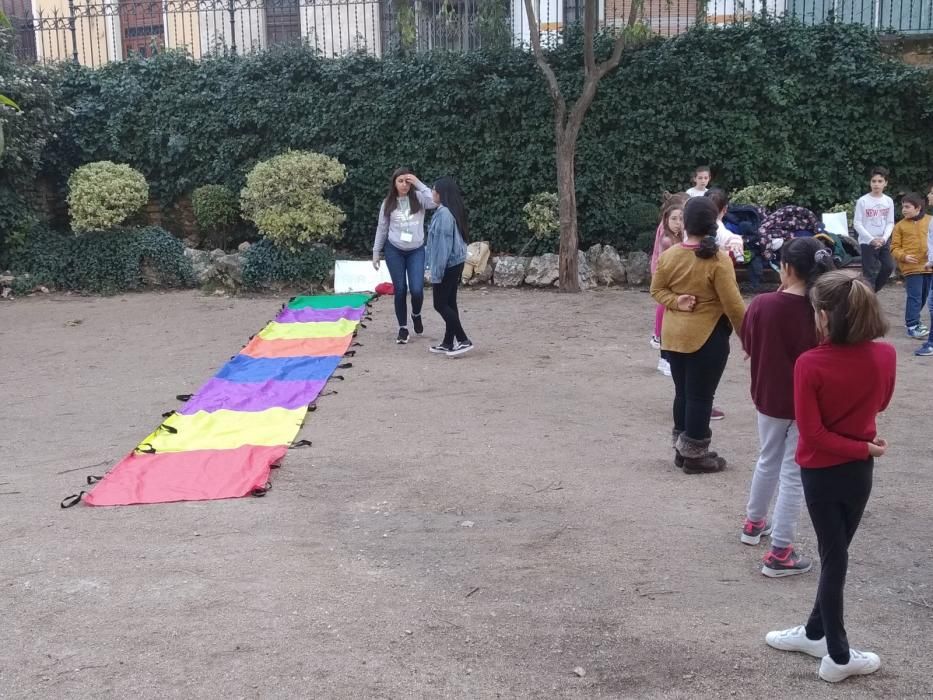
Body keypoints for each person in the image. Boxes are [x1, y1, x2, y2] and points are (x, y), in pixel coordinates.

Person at [765, 272, 895, 684]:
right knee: (836, 553)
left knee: (834, 558)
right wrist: (862, 445)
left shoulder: (810, 363)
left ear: (823, 316)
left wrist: (859, 446)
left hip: (822, 472)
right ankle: (814, 633)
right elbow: (882, 402)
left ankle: (836, 655)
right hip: (859, 471)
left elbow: (814, 432)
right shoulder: (887, 355)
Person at [740, 238, 835, 578]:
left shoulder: (763, 304)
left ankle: (754, 523)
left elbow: (748, 342)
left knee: (767, 458)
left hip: (768, 396)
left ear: (787, 268)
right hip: (808, 402)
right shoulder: (821, 310)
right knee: (794, 474)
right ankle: (781, 550)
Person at [650, 197, 745, 474]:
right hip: (707, 337)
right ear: (714, 224)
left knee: (683, 394)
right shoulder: (718, 260)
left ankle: (682, 448)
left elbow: (656, 291)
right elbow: (734, 305)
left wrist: (675, 301)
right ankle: (695, 455)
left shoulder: (670, 255)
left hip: (674, 336)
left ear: (686, 225)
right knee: (701, 397)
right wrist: (748, 337)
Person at [372, 168, 437, 344]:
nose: (404, 185)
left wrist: (418, 183)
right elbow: (382, 228)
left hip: (416, 249)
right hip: (395, 250)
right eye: (400, 181)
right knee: (400, 289)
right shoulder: (388, 203)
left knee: (417, 289)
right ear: (394, 183)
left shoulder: (419, 198)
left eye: (407, 181)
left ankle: (416, 314)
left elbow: (435, 201)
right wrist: (376, 252)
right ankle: (403, 328)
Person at [426, 176, 472, 357]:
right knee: (450, 303)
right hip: (454, 263)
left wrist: (437, 272)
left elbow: (443, 246)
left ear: (441, 193)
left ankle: (463, 339)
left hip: (448, 265)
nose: (431, 192)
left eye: (433, 190)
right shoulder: (448, 211)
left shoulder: (444, 214)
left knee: (440, 304)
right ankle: (448, 342)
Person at [650, 194, 688, 377]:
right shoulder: (667, 239)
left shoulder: (680, 236)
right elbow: (666, 264)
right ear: (666, 219)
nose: (678, 222)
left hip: (675, 282)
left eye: (681, 219)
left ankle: (667, 356)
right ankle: (662, 352)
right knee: (665, 315)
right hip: (666, 281)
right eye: (674, 219)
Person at [890, 192, 932, 339]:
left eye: (907, 207)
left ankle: (916, 321)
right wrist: (904, 256)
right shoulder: (899, 226)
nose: (904, 210)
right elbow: (894, 248)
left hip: (929, 266)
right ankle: (912, 325)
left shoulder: (930, 221)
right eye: (903, 207)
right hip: (911, 268)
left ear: (918, 207)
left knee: (924, 295)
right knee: (915, 297)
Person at [853, 166, 895, 293]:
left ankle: (871, 292)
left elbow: (890, 222)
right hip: (867, 242)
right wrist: (871, 239)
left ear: (885, 183)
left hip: (883, 240)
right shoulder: (863, 201)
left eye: (880, 181)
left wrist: (883, 239)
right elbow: (857, 223)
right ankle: (869, 299)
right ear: (870, 182)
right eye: (874, 181)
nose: (876, 184)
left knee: (888, 266)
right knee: (869, 273)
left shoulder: (888, 201)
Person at [705, 188, 744, 262]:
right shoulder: (718, 226)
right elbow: (730, 237)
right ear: (725, 208)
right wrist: (737, 240)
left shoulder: (693, 222)